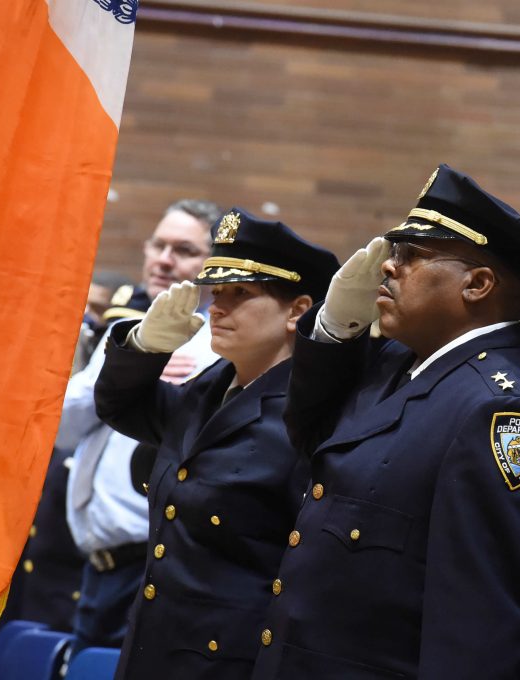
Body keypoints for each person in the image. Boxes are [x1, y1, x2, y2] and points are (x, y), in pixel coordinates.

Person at [252, 164, 520, 679]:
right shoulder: (398, 365)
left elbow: (480, 628)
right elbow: (311, 438)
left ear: (478, 284)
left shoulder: (499, 411)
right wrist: (334, 329)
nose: (388, 268)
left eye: (412, 255)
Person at [94, 209, 339, 680]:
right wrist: (144, 347)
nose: (218, 308)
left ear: (297, 310)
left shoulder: (307, 415)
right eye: (218, 292)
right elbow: (119, 407)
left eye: (241, 294)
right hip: (153, 648)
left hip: (231, 660)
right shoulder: (209, 388)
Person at [57, 199, 221, 656]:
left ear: (216, 263)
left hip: (159, 564)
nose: (165, 260)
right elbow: (62, 429)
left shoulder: (220, 345)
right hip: (96, 566)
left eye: (185, 250)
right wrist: (134, 367)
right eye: (159, 245)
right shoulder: (127, 331)